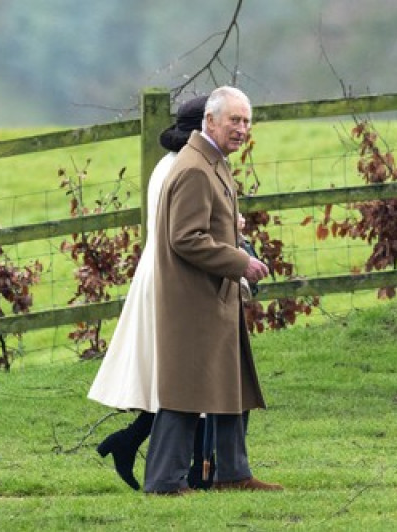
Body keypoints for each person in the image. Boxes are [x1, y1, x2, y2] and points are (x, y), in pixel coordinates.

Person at [144, 86, 282, 495]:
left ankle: (233, 474)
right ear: (210, 121)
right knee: (185, 390)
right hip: (193, 299)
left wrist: (235, 244)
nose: (242, 129)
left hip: (216, 294)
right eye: (234, 121)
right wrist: (242, 262)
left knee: (232, 385)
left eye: (246, 121)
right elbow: (185, 238)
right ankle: (164, 482)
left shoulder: (212, 161)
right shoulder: (193, 169)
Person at [87, 95, 209, 491]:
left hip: (157, 273)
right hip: (172, 278)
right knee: (180, 376)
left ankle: (133, 443)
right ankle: (178, 466)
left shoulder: (166, 165)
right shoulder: (186, 169)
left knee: (171, 376)